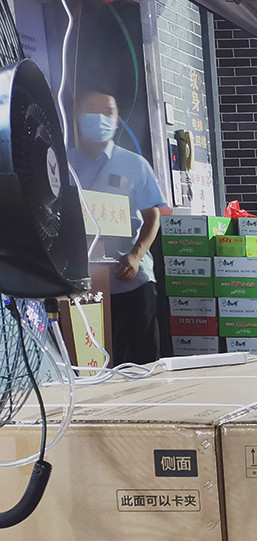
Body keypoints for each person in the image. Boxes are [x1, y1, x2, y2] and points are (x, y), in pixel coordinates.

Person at [68, 90, 166, 365]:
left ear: (117, 119)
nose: (100, 117)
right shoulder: (63, 163)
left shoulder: (134, 164)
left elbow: (152, 216)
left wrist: (136, 255)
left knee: (144, 360)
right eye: (92, 109)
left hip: (132, 279)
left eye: (108, 112)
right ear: (77, 114)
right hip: (82, 285)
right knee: (94, 361)